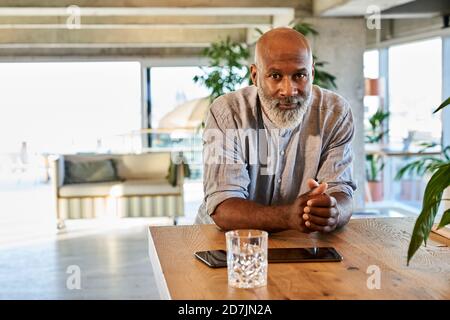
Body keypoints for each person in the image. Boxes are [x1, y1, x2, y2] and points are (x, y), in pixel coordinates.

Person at [195, 27, 356, 233]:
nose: (289, 90)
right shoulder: (227, 113)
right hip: (225, 241)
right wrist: (286, 216)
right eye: (275, 76)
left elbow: (341, 192)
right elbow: (223, 207)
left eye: (300, 75)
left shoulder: (335, 113)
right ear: (255, 75)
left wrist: (333, 212)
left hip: (298, 240)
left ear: (312, 73)